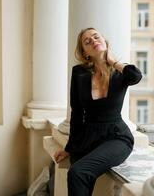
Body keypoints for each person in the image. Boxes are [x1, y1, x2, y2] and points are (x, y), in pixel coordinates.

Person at [53, 27, 142, 196]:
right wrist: (69, 147)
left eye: (96, 37)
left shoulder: (120, 72)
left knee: (78, 171)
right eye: (87, 41)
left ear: (104, 41)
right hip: (88, 137)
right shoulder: (79, 73)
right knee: (76, 175)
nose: (93, 41)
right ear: (85, 52)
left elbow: (136, 76)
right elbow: (77, 112)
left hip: (117, 137)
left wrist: (114, 62)